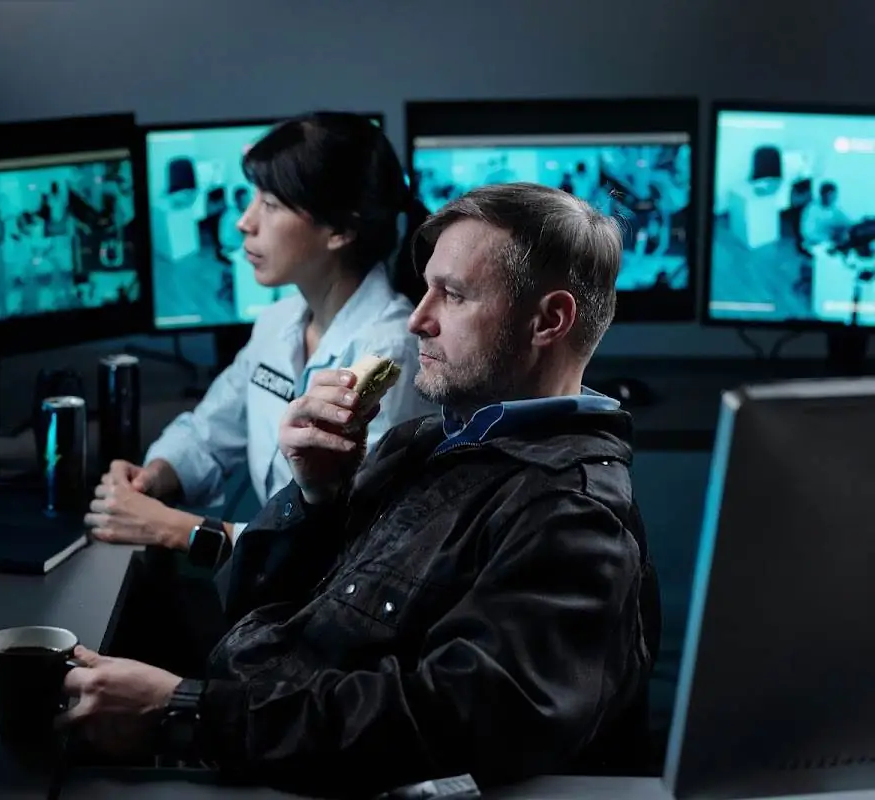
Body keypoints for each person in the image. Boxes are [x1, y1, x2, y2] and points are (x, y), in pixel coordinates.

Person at [58, 183, 660, 796]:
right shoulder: (422, 443)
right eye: (426, 288)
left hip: (269, 755)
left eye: (451, 295)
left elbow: (440, 720)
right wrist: (315, 496)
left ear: (549, 320)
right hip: (252, 737)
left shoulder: (572, 517)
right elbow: (250, 604)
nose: (419, 319)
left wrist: (184, 713)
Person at [87, 112, 433, 556]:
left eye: (270, 205)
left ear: (341, 229)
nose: (244, 222)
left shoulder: (388, 354)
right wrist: (153, 474)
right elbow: (208, 433)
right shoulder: (279, 321)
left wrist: (179, 529)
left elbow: (354, 545)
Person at [801, 181, 850, 246]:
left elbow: (847, 223)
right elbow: (809, 233)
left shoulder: (834, 210)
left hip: (831, 244)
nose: (833, 198)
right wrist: (829, 237)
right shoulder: (812, 209)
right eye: (831, 195)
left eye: (834, 195)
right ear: (823, 195)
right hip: (814, 245)